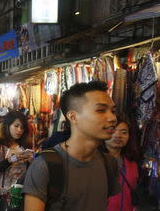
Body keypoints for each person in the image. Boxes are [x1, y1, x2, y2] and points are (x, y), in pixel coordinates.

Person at [23, 81, 120, 211]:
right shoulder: (45, 165)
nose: (112, 117)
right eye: (101, 110)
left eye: (113, 111)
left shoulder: (109, 163)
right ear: (73, 117)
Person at [0, 111, 32, 210]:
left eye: (22, 127)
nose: (19, 130)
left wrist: (31, 161)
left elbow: (27, 174)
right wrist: (12, 159)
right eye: (16, 126)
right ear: (8, 125)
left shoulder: (24, 147)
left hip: (18, 195)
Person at [105, 115, 139, 211]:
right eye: (113, 130)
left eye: (124, 132)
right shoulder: (94, 160)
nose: (118, 135)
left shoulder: (132, 164)